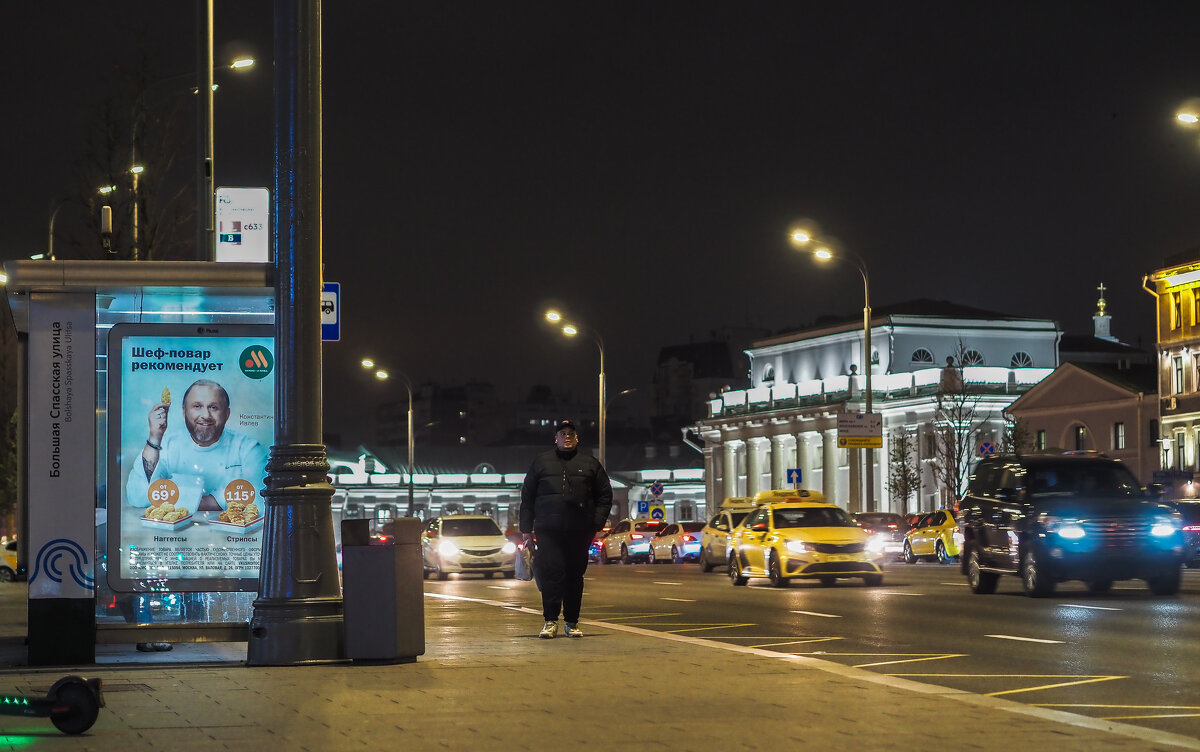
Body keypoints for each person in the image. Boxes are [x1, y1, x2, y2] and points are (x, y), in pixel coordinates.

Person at [519, 419, 613, 639]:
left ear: (577, 438)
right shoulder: (542, 462)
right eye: (563, 433)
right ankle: (550, 621)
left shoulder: (589, 463)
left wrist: (595, 522)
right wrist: (526, 528)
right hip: (548, 530)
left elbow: (605, 495)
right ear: (556, 438)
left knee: (574, 575)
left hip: (579, 530)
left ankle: (572, 622)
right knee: (553, 574)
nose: (567, 436)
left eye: (571, 433)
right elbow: (528, 496)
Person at [126, 379, 269, 512]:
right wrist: (154, 437)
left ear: (227, 414)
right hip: (172, 536)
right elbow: (137, 495)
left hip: (237, 536)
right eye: (197, 406)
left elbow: (260, 498)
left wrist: (181, 499)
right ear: (184, 412)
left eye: (213, 407)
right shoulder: (167, 446)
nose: (205, 415)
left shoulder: (248, 449)